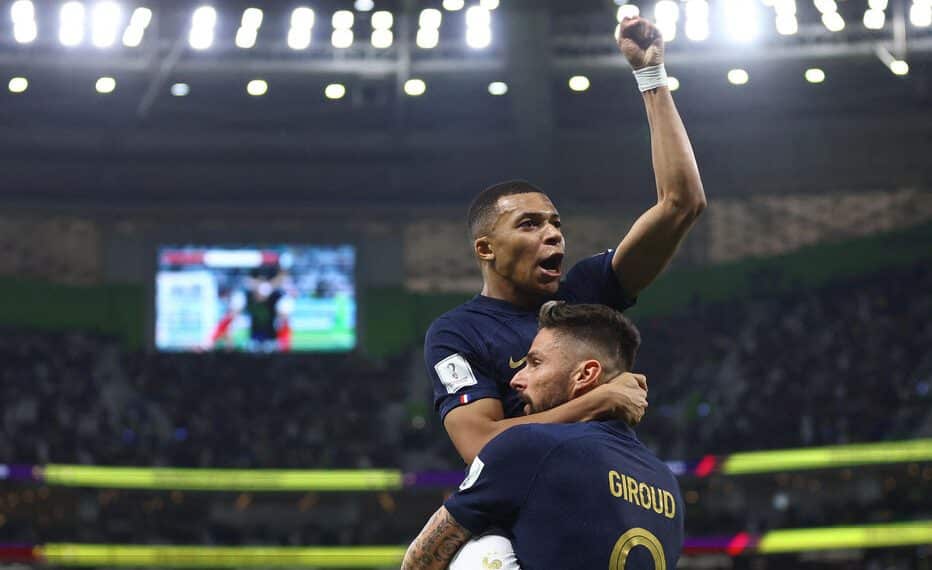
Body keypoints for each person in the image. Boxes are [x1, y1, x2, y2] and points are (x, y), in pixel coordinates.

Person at [425, 15, 707, 466]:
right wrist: (600, 400)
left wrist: (651, 75)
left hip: (610, 489)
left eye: (555, 223)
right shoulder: (458, 333)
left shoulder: (584, 293)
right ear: (485, 249)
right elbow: (479, 445)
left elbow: (681, 203)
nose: (553, 233)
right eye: (529, 224)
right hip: (532, 511)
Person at [404, 302, 684, 570]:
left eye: (534, 363)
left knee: (481, 549)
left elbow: (418, 561)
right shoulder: (666, 481)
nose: (516, 379)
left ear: (585, 375)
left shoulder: (528, 447)